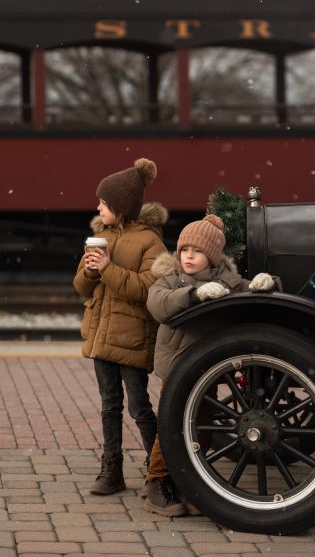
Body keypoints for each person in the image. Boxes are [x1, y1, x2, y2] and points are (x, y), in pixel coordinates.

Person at [143, 213, 279, 517]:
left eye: (198, 251)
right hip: (179, 367)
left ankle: (188, 480)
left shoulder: (226, 281)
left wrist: (266, 284)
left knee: (201, 426)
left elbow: (247, 290)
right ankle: (156, 482)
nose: (189, 257)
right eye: (185, 251)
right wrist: (194, 294)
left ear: (213, 256)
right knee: (172, 424)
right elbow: (158, 303)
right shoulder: (172, 279)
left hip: (209, 370)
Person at [73, 157, 168, 496]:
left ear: (121, 206)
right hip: (101, 337)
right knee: (109, 405)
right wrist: (90, 271)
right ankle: (111, 469)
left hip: (131, 341)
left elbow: (147, 289)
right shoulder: (100, 235)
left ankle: (158, 469)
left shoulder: (150, 242)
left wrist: (109, 268)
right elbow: (82, 288)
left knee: (139, 407)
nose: (98, 207)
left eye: (103, 202)